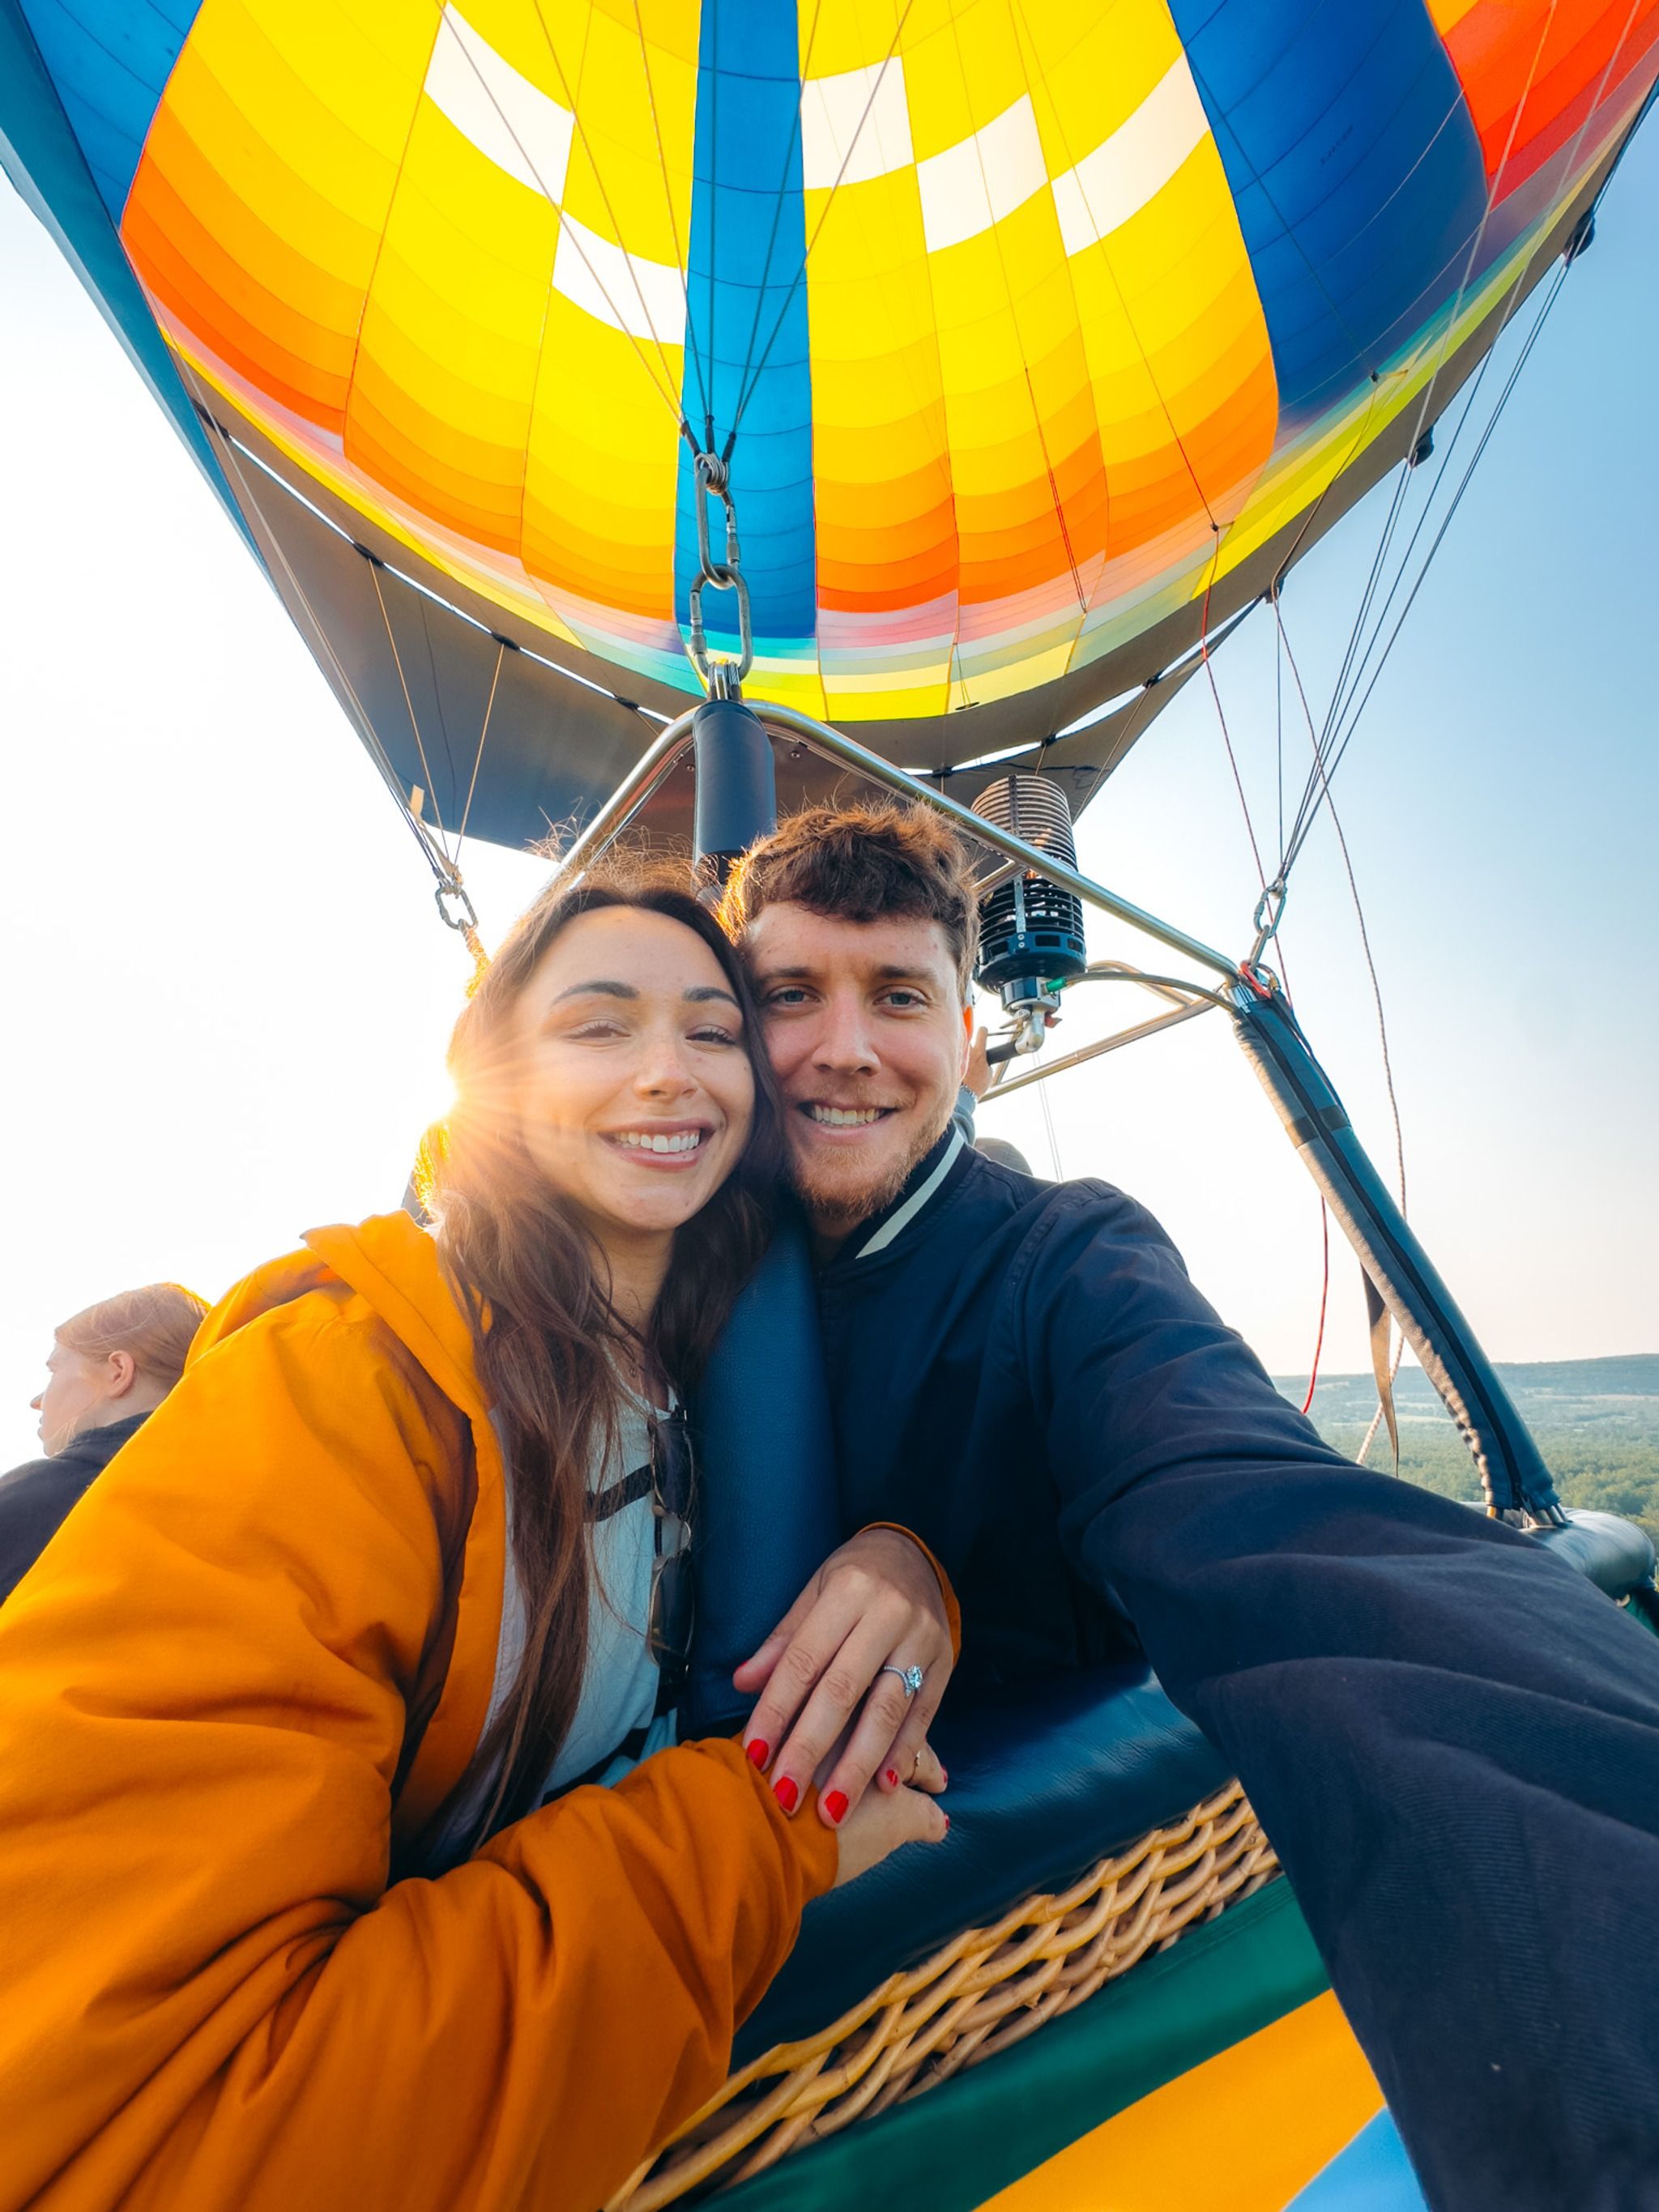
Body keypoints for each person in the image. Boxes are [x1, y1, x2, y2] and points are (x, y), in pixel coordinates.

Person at [716, 802, 1659, 2212]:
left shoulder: (1062, 1263)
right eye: (788, 994)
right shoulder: (657, 1268)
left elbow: (1266, 1529)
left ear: (967, 1041)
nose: (842, 1047)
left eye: (896, 995)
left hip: (974, 1982)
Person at [0, 865, 949, 2212]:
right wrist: (753, 1838)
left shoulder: (703, 1388)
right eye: (599, 1025)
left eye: (711, 1029)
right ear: (487, 1079)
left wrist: (911, 1566)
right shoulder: (341, 1387)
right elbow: (184, 2128)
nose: (669, 1072)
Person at [2, 1282, 209, 1604]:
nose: (37, 1401)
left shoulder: (34, 1499)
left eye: (54, 1370)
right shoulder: (241, 1505)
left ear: (118, 1372)